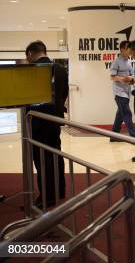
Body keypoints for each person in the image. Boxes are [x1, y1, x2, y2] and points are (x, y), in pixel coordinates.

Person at [25, 40, 68, 208]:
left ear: (30, 53)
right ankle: (60, 189)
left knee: (41, 157)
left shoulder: (32, 69)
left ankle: (47, 195)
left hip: (38, 120)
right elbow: (63, 93)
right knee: (55, 151)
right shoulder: (60, 69)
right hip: (54, 120)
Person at [109, 40, 135, 141]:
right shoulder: (116, 61)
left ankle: (113, 137)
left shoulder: (129, 61)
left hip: (127, 92)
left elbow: (132, 75)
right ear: (122, 49)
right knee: (127, 114)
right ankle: (134, 136)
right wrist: (123, 79)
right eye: (128, 48)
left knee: (120, 114)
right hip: (119, 93)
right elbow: (112, 77)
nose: (130, 50)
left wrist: (131, 79)